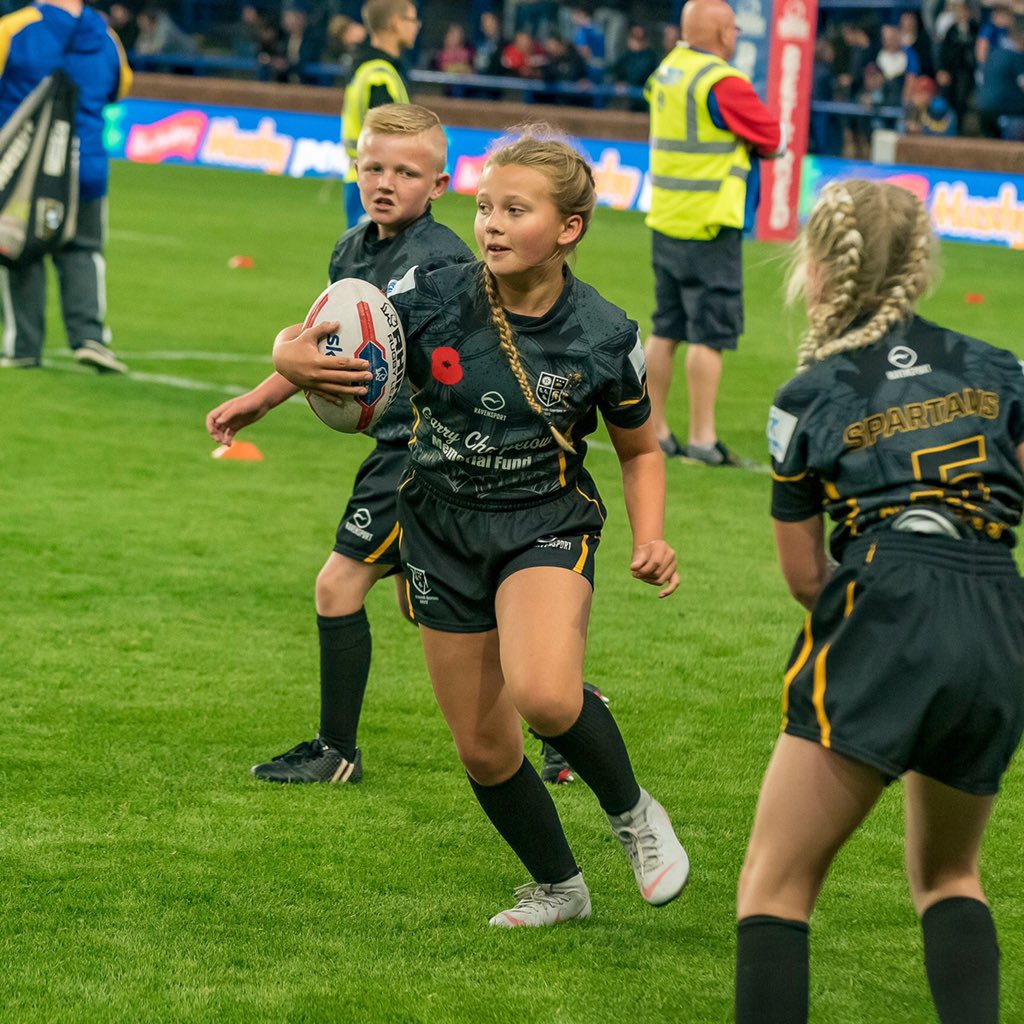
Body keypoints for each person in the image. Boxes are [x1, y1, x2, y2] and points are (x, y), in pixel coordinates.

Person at [272, 124, 690, 926]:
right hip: (438, 530)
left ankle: (635, 815)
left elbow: (641, 451)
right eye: (485, 206)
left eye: (515, 210)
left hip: (545, 527)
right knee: (484, 747)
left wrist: (651, 535)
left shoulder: (605, 335)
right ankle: (560, 888)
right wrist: (287, 361)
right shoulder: (429, 297)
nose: (492, 224)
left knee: (543, 694)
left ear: (568, 229)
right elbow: (315, 339)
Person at [735, 179, 1024, 1023]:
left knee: (775, 887)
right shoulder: (999, 368)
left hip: (887, 598)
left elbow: (803, 576)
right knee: (948, 876)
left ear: (819, 269)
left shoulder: (810, 395)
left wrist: (886, 640)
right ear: (924, 266)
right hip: (997, 611)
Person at [207, 104, 472, 784]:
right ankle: (567, 711)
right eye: (373, 166)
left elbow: (438, 367)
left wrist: (289, 363)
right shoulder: (352, 249)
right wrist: (258, 399)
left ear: (438, 185)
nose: (386, 182)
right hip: (397, 450)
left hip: (426, 452)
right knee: (446, 610)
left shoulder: (442, 264)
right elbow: (317, 349)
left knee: (337, 586)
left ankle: (336, 752)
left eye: (407, 172)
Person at [643, 0, 784, 466]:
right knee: (710, 333)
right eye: (735, 28)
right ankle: (703, 439)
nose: (738, 35)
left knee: (667, 327)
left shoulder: (668, 70)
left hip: (666, 217)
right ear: (724, 33)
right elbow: (771, 138)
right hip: (709, 222)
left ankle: (658, 430)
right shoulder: (722, 82)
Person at [0, 0, 132, 372]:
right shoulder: (105, 35)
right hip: (84, 164)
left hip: (25, 167)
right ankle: (89, 336)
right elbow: (120, 87)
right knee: (84, 249)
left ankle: (23, 346)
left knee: (17, 250)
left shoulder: (15, 28)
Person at [340, 0, 418, 230]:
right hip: (378, 185)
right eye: (412, 19)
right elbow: (388, 141)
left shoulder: (367, 68)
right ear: (395, 23)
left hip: (364, 179)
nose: (417, 26)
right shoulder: (379, 75)